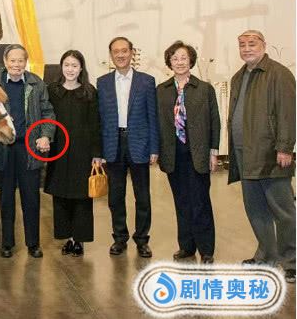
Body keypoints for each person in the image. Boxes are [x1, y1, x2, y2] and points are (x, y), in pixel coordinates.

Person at [228, 30, 296, 283]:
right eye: (242, 44)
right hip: (244, 154)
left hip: (271, 154)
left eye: (252, 44)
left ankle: (292, 261)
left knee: (283, 211)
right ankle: (266, 256)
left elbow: (288, 113)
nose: (246, 48)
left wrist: (285, 147)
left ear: (264, 45)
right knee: (256, 210)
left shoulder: (279, 74)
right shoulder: (238, 77)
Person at [157, 41, 220, 264]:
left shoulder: (204, 89)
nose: (179, 62)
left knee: (200, 201)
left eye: (183, 58)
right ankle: (186, 246)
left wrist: (213, 151)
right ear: (169, 62)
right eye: (175, 58)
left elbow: (214, 122)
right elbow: (157, 123)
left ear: (190, 60)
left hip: (198, 153)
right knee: (181, 201)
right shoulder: (162, 90)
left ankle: (206, 249)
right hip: (173, 154)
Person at [0, 44, 55, 259]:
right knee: (6, 198)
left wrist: (45, 135)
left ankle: (33, 243)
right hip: (4, 148)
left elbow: (48, 113)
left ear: (25, 62)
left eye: (20, 60)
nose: (16, 65)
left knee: (31, 198)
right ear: (5, 61)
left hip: (29, 148)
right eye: (13, 60)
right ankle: (7, 243)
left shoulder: (36, 83)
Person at [97, 36, 159, 258]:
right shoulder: (102, 82)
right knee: (115, 196)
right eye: (116, 51)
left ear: (132, 53)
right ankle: (119, 238)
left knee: (142, 196)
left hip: (140, 144)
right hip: (113, 144)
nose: (120, 55)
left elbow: (153, 116)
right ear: (111, 55)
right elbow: (100, 119)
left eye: (124, 51)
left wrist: (154, 148)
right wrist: (99, 151)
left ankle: (142, 240)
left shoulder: (147, 81)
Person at [45, 50, 101, 257]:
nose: (70, 69)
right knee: (60, 195)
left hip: (82, 152)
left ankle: (79, 240)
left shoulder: (89, 92)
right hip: (58, 150)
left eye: (74, 66)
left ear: (81, 68)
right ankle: (67, 237)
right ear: (61, 67)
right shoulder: (52, 90)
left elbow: (95, 124)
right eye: (67, 65)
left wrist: (97, 153)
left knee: (81, 197)